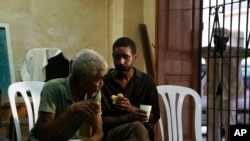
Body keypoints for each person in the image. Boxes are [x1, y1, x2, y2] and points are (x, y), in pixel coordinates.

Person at [28, 49, 108, 141]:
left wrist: (91, 140)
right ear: (83, 80)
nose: (102, 83)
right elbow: (44, 136)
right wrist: (71, 110)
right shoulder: (52, 88)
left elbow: (99, 133)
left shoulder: (94, 92)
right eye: (98, 80)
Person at [101, 37, 160, 141]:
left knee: (138, 128)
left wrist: (132, 109)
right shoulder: (104, 83)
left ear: (135, 57)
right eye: (117, 57)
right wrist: (129, 117)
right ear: (112, 57)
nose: (121, 62)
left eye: (125, 57)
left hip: (142, 132)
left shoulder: (146, 81)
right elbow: (102, 121)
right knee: (136, 127)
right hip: (114, 133)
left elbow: (154, 117)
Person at [202, 27, 250, 141]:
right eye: (214, 38)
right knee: (212, 123)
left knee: (230, 123)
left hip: (229, 93)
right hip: (213, 93)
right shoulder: (209, 52)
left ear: (226, 39)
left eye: (219, 39)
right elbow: (192, 49)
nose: (216, 41)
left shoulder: (235, 51)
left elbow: (248, 53)